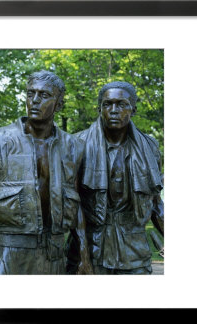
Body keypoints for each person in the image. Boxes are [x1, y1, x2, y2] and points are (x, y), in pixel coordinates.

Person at [0, 71, 93, 275]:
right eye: (30, 93)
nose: (34, 101)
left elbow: (74, 204)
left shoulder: (74, 147)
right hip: (6, 255)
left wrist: (84, 258)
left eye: (44, 95)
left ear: (59, 104)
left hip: (53, 257)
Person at [68, 81, 164, 275]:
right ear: (99, 108)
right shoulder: (77, 143)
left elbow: (155, 201)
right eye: (107, 104)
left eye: (121, 104)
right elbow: (71, 205)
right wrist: (83, 256)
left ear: (133, 109)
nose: (113, 110)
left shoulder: (150, 147)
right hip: (91, 248)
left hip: (134, 252)